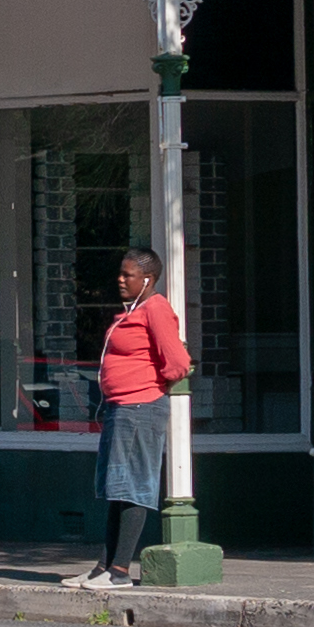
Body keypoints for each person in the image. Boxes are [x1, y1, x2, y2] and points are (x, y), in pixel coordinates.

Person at [75, 245, 188, 591]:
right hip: (119, 408)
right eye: (121, 273)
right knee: (115, 489)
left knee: (133, 487)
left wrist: (149, 387)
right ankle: (103, 567)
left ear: (148, 279)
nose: (120, 279)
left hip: (140, 408)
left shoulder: (156, 308)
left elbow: (178, 362)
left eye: (129, 275)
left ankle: (121, 571)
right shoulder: (133, 310)